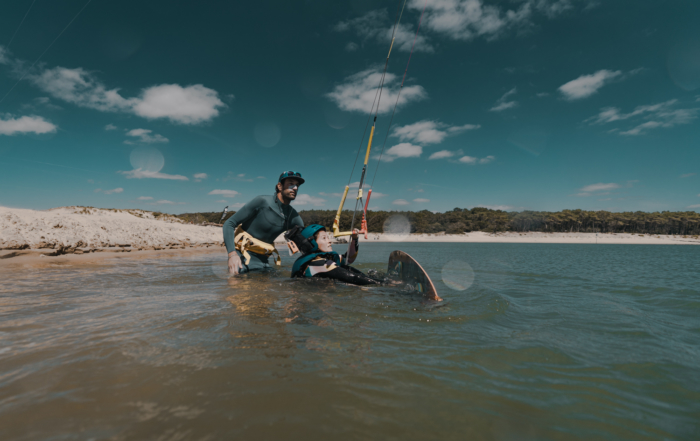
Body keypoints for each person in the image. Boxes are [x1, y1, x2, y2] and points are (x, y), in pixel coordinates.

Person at [223, 171, 305, 274]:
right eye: (291, 184)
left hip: (264, 264)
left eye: (297, 185)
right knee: (235, 283)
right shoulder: (261, 202)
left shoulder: (294, 216)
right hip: (241, 260)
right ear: (280, 186)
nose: (295, 188)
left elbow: (307, 242)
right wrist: (232, 255)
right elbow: (229, 223)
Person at [286, 224, 381, 286]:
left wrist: (354, 239)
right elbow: (353, 278)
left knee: (346, 267)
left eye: (328, 237)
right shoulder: (319, 264)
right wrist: (382, 284)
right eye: (324, 238)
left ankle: (376, 277)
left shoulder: (320, 260)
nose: (329, 241)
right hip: (318, 299)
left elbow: (348, 259)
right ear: (311, 244)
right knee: (350, 273)